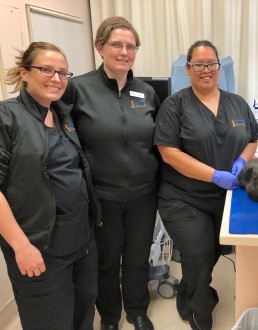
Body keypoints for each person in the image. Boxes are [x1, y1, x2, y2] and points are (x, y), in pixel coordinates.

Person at [61, 17, 160, 330]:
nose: (124, 52)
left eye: (131, 46)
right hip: (101, 195)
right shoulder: (77, 89)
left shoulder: (146, 92)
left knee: (137, 256)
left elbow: (159, 140)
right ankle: (110, 317)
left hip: (145, 193)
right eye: (117, 44)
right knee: (105, 261)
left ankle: (137, 311)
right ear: (100, 47)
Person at [153, 40, 258, 330]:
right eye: (198, 64)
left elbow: (252, 138)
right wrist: (214, 174)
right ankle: (200, 311)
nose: (206, 70)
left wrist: (240, 161)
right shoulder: (174, 105)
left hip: (224, 199)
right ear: (188, 69)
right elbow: (168, 153)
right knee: (198, 254)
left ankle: (189, 293)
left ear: (219, 67)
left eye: (211, 63)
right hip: (183, 197)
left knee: (212, 253)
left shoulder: (236, 102)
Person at [0, 42, 100, 329]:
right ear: (25, 73)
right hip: (39, 246)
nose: (56, 79)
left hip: (81, 240)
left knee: (83, 315)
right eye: (46, 70)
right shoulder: (7, 117)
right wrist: (21, 247)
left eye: (63, 72)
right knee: (50, 321)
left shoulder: (61, 114)